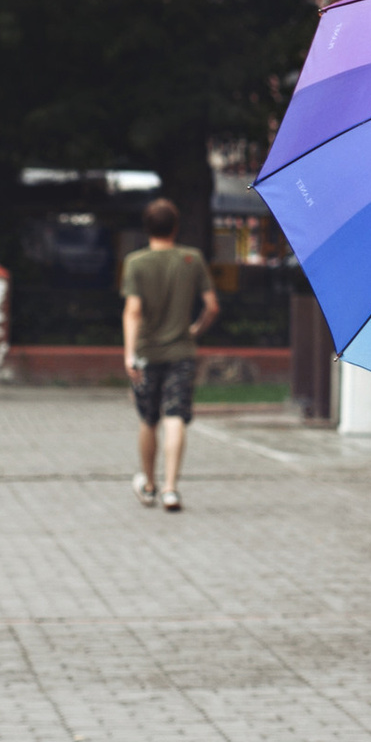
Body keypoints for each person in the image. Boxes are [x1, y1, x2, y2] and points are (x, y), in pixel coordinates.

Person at [120, 196, 218, 508]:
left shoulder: (135, 263)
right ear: (176, 227)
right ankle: (171, 489)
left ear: (146, 228)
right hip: (182, 352)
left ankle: (149, 485)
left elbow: (132, 312)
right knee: (175, 417)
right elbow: (212, 306)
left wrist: (129, 354)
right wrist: (194, 330)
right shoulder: (192, 259)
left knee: (149, 419)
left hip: (148, 353)